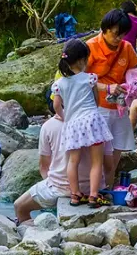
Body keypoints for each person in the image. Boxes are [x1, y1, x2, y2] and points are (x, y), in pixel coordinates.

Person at [51, 39, 113, 207]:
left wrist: (64, 117)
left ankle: (75, 194)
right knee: (96, 161)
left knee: (73, 161)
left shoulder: (59, 84)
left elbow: (56, 105)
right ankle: (93, 195)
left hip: (72, 124)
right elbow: (96, 101)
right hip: (92, 120)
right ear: (82, 60)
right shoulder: (90, 78)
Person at [13, 113, 101, 225]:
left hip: (59, 187)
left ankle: (33, 235)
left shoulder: (49, 126)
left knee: (19, 206)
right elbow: (109, 165)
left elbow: (44, 166)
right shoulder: (97, 122)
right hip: (95, 188)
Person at [87, 9, 137, 187]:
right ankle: (94, 189)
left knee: (115, 154)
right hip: (97, 107)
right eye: (116, 34)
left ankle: (107, 190)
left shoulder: (127, 48)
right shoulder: (90, 47)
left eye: (122, 35)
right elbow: (79, 79)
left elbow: (134, 73)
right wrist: (106, 87)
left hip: (119, 108)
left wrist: (135, 87)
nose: (119, 38)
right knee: (99, 156)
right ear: (105, 29)